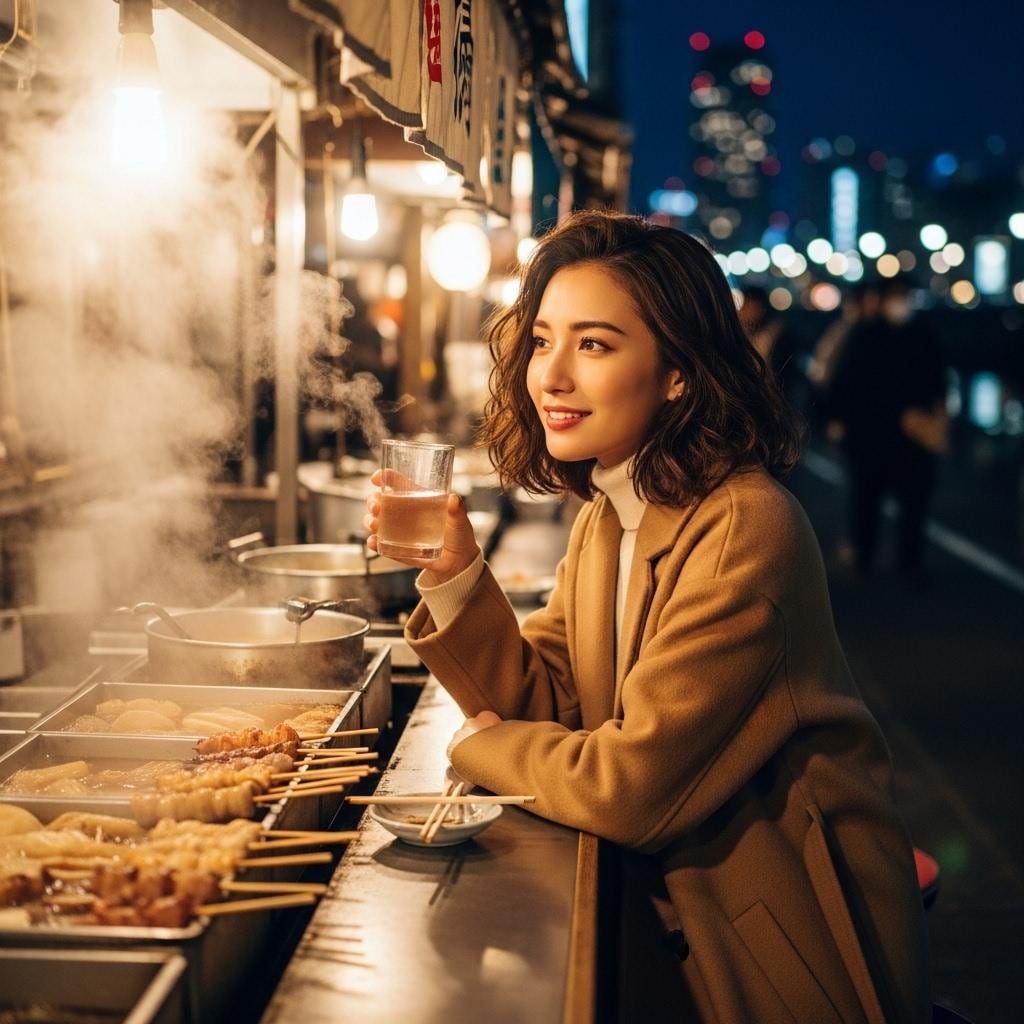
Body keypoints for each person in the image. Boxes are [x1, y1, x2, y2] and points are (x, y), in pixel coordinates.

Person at [364, 211, 930, 1023]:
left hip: (773, 944)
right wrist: (455, 575)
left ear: (678, 374)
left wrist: (482, 745)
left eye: (594, 345)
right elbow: (551, 702)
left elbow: (628, 787)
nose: (552, 376)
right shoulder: (611, 511)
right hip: (674, 908)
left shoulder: (744, 526)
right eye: (542, 341)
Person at [826, 275, 947, 579]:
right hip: (872, 438)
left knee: (912, 504)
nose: (901, 303)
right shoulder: (866, 335)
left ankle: (907, 560)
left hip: (911, 436)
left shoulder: (922, 335)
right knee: (867, 499)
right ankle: (866, 554)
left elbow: (938, 381)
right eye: (896, 296)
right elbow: (850, 387)